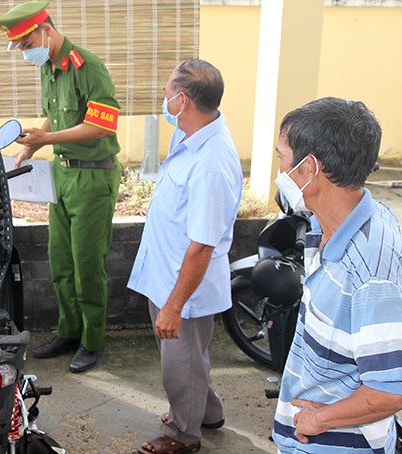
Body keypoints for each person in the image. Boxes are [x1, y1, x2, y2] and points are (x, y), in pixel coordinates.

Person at [271, 97, 402, 453]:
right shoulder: (362, 217)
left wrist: (320, 419)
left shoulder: (368, 268)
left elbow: (398, 390)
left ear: (308, 169)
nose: (279, 170)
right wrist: (366, 333)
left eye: (282, 157)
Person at [0, 1, 123, 373]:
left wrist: (47, 138)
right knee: (60, 262)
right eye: (18, 46)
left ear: (46, 31)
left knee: (86, 263)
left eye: (26, 42)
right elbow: (55, 112)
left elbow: (103, 125)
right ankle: (69, 331)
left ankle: (93, 340)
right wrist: (35, 140)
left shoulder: (87, 66)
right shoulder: (50, 67)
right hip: (62, 174)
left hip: (93, 176)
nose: (23, 52)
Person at [128, 59, 243, 454]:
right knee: (192, 359)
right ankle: (205, 413)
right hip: (167, 274)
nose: (163, 101)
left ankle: (183, 433)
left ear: (182, 100)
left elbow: (202, 245)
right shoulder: (193, 134)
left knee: (181, 366)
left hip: (185, 286)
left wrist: (174, 306)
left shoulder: (211, 161)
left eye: (166, 95)